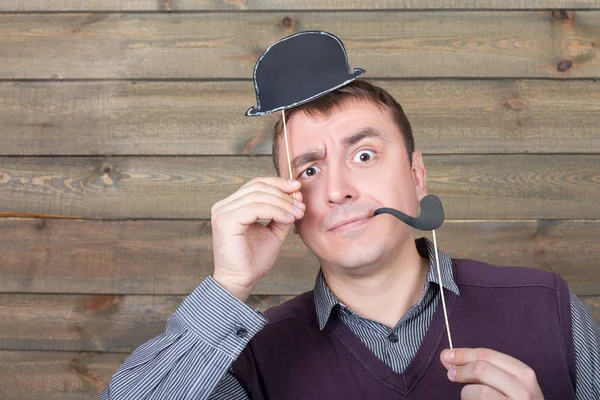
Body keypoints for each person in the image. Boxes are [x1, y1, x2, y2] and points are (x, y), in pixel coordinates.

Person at [99, 79, 600, 399]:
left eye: (363, 155)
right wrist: (229, 285)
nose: (337, 190)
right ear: (289, 204)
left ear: (417, 175)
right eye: (310, 169)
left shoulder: (547, 307)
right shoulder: (247, 360)